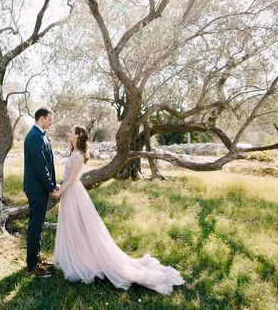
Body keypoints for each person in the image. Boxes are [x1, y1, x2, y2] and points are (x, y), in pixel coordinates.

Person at [51, 125, 185, 295]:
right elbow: (66, 179)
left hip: (73, 193)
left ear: (77, 136)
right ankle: (76, 256)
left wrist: (60, 191)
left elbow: (71, 179)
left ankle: (86, 261)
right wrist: (59, 187)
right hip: (70, 193)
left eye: (71, 131)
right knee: (74, 226)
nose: (68, 133)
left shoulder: (77, 156)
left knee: (82, 228)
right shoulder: (73, 153)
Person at [23, 106, 60, 277]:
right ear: (41, 118)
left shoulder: (40, 136)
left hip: (39, 188)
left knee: (37, 226)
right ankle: (32, 265)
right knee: (35, 226)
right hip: (36, 189)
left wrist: (52, 184)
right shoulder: (35, 137)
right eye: (50, 119)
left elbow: (47, 164)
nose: (52, 122)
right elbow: (41, 167)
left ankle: (36, 258)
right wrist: (51, 187)